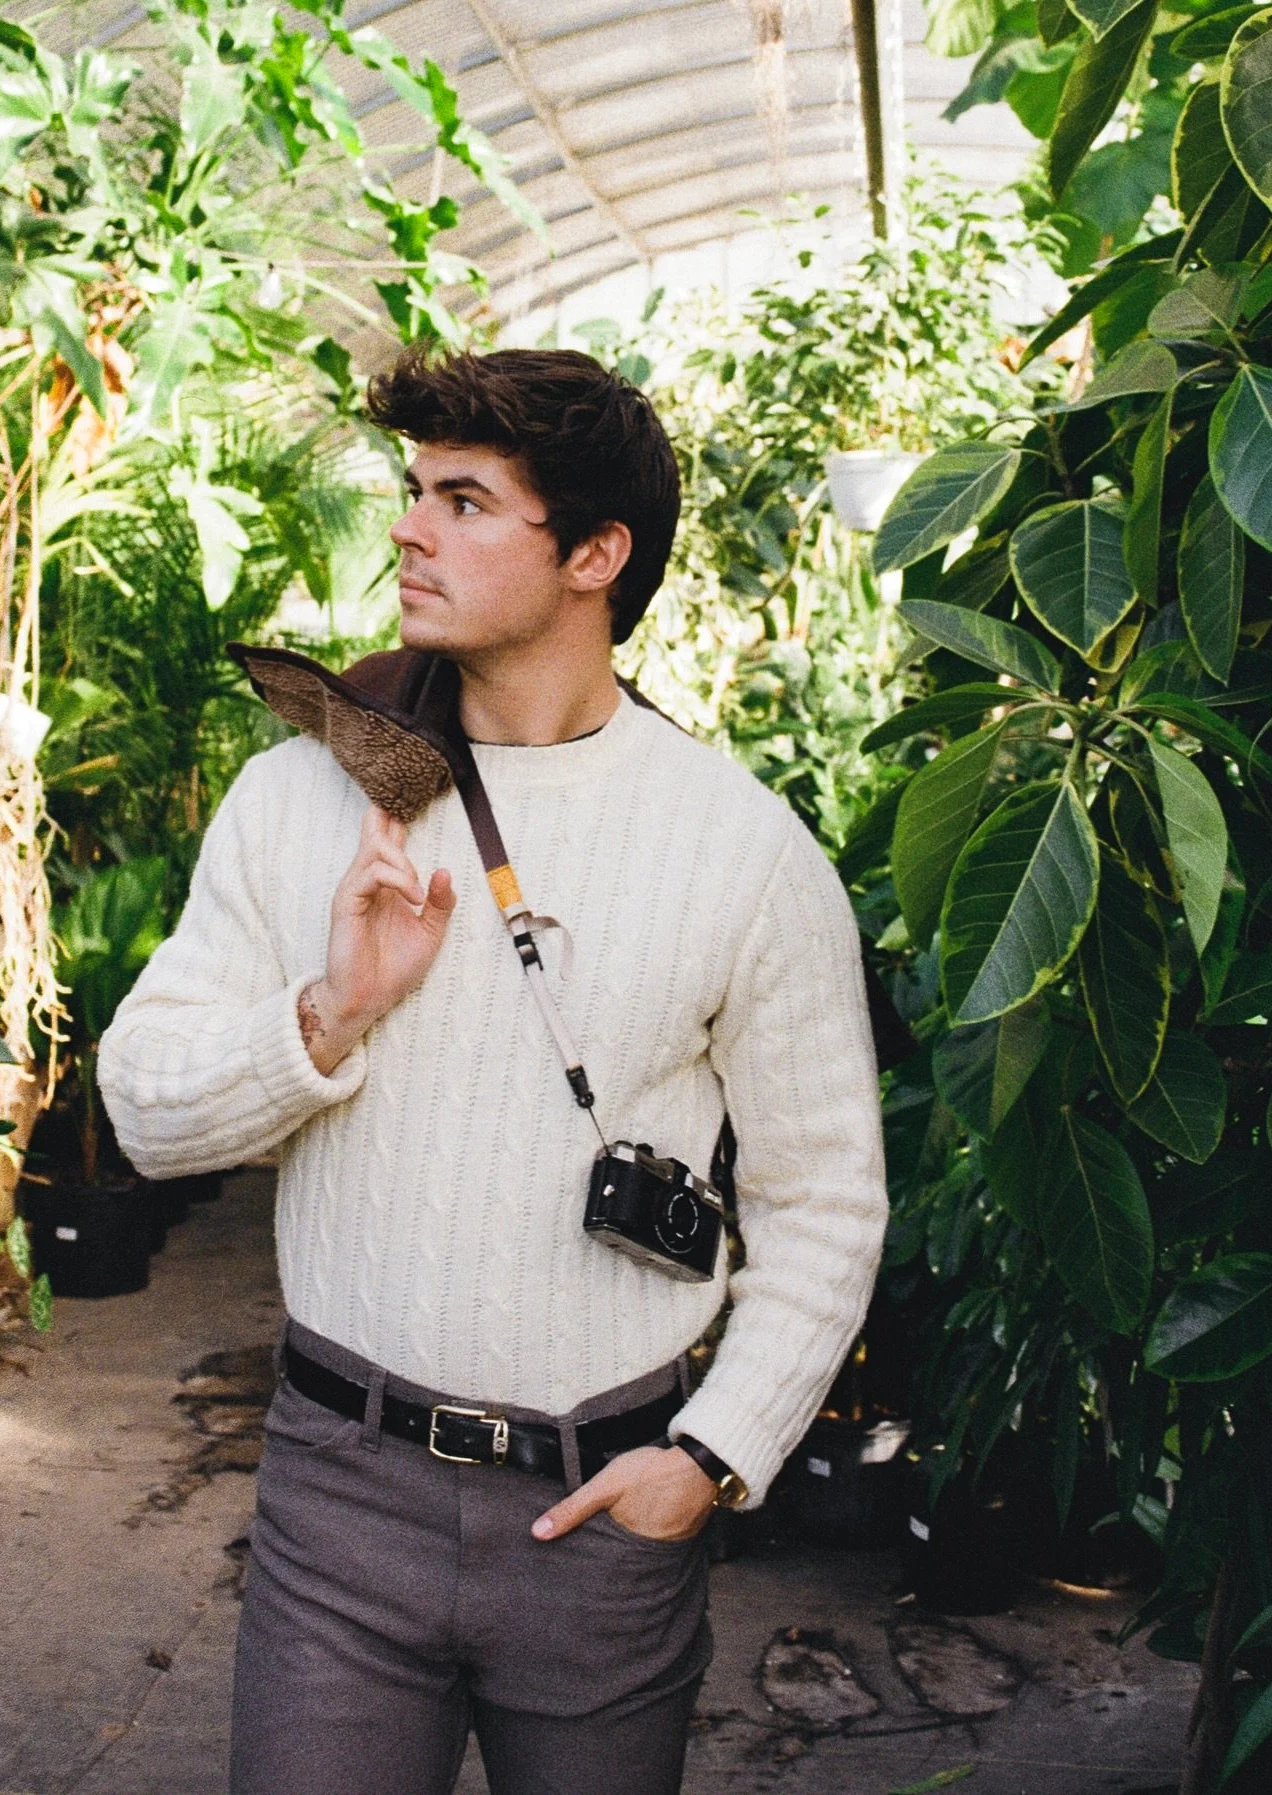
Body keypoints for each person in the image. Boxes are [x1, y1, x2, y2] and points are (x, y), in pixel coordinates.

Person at [98, 346, 887, 1795]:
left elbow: (827, 1200)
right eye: (414, 490)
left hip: (605, 1511)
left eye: (464, 500)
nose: (409, 527)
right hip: (341, 1493)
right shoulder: (309, 793)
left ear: (596, 553)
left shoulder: (743, 850)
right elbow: (142, 1107)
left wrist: (706, 1461)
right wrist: (329, 1010)